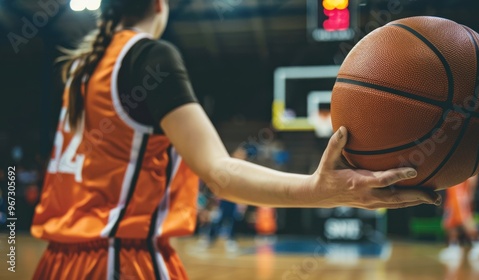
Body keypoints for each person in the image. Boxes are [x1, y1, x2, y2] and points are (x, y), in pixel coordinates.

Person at [31, 0, 440, 279]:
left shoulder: (81, 70)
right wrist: (321, 189)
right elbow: (219, 173)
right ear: (160, 4)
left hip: (57, 261)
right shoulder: (147, 57)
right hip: (119, 261)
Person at [439, 175, 479, 262]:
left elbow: (473, 177)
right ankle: (453, 247)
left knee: (465, 219)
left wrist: (470, 193)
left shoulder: (467, 163)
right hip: (452, 192)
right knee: (450, 222)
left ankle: (478, 244)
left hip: (460, 193)